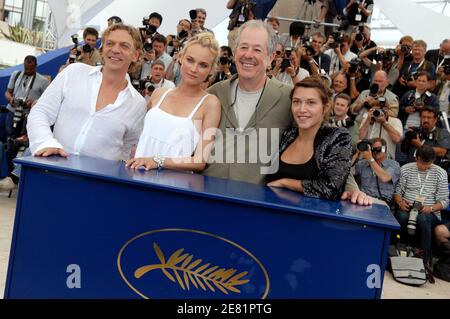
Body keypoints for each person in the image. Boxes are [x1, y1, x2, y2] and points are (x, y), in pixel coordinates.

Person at [203, 20, 372, 205]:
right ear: (235, 52)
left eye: (257, 50)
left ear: (271, 56)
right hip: (208, 195)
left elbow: (321, 142)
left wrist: (352, 189)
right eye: (243, 47)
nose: (248, 55)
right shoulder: (214, 93)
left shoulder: (289, 98)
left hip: (255, 202)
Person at [26, 23, 147, 161]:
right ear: (102, 49)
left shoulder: (138, 104)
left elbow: (129, 148)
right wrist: (46, 143)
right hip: (53, 167)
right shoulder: (73, 72)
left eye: (124, 46)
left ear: (135, 55)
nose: (115, 50)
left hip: (98, 180)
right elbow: (40, 111)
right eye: (110, 43)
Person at [126, 33, 221, 172]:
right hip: (136, 176)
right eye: (190, 60)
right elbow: (136, 135)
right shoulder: (159, 94)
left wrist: (157, 161)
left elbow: (200, 161)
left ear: (211, 70)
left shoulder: (210, 104)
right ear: (181, 58)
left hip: (173, 185)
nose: (194, 69)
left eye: (203, 65)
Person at [266, 77, 352, 199]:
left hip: (311, 216)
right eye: (296, 102)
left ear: (326, 107)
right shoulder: (287, 135)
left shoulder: (337, 137)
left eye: (311, 102)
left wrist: (286, 183)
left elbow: (332, 187)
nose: (302, 109)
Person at [394, 145, 449, 271]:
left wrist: (430, 208)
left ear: (433, 161)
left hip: (430, 212)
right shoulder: (406, 169)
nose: (423, 167)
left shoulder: (440, 173)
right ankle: (400, 252)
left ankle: (425, 260)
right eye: (421, 163)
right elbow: (397, 192)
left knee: (423, 219)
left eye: (427, 164)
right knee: (401, 216)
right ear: (416, 158)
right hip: (408, 207)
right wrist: (401, 202)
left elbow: (444, 201)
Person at [3, 55, 50, 140]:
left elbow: (48, 99)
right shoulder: (16, 74)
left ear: (36, 66)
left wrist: (34, 102)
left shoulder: (44, 81)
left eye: (31, 69)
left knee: (24, 142)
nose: (28, 71)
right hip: (12, 113)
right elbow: (8, 92)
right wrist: (11, 99)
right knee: (10, 139)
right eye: (26, 68)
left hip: (28, 116)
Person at [354, 137, 400, 205]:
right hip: (363, 200)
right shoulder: (362, 163)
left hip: (382, 201)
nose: (375, 152)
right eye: (372, 149)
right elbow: (348, 172)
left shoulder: (393, 164)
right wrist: (357, 152)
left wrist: (370, 159)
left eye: (378, 149)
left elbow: (385, 178)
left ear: (385, 149)